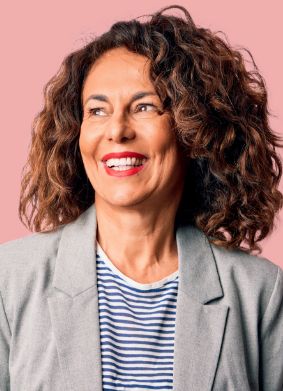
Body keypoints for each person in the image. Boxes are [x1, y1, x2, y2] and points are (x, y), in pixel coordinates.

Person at [0, 4, 283, 390]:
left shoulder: (260, 293)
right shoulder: (9, 280)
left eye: (144, 106)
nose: (117, 130)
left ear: (194, 129)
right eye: (97, 110)